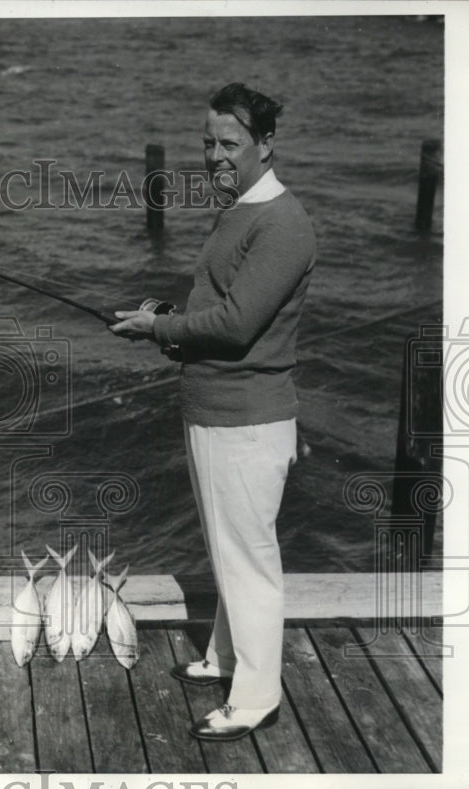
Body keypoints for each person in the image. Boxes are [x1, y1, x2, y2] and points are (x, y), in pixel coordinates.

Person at [110, 82, 316, 741]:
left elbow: (234, 325)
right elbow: (218, 307)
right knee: (227, 551)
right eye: (208, 143)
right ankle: (226, 655)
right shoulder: (236, 211)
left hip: (248, 420)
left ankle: (256, 696)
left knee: (249, 559)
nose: (215, 156)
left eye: (229, 143)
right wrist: (166, 317)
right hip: (211, 410)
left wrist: (158, 330)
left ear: (265, 146)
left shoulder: (282, 223)